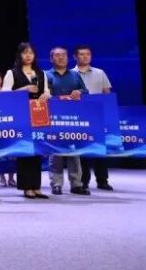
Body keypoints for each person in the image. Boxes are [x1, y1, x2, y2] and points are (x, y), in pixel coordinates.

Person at [2, 43, 50, 199]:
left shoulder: (41, 73)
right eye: (25, 53)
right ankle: (26, 187)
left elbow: (47, 92)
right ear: (19, 55)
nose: (28, 55)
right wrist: (24, 89)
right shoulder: (12, 73)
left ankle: (36, 186)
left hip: (38, 115)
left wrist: (46, 95)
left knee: (37, 150)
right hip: (21, 115)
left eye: (31, 53)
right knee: (25, 150)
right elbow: (5, 94)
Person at [45, 46, 89, 196]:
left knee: (74, 151)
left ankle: (76, 184)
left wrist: (79, 92)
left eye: (63, 55)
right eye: (57, 55)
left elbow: (86, 91)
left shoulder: (75, 75)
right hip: (54, 118)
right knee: (55, 152)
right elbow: (41, 94)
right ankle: (56, 184)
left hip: (73, 118)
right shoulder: (46, 75)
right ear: (51, 58)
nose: (61, 57)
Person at [73, 45, 114, 192]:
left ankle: (102, 180)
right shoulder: (71, 74)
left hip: (98, 116)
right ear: (75, 57)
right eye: (82, 54)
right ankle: (83, 181)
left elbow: (107, 93)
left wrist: (109, 113)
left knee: (100, 149)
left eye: (88, 54)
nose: (85, 57)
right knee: (82, 151)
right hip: (80, 116)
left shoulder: (99, 73)